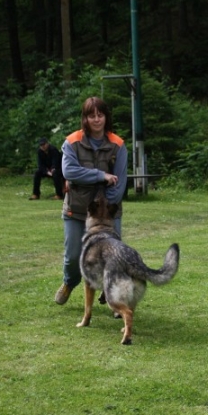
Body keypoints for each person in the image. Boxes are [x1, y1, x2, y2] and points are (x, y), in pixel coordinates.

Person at [54, 97, 128, 305]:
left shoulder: (118, 145)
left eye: (100, 115)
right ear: (85, 118)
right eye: (91, 115)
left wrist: (104, 212)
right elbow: (69, 171)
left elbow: (120, 183)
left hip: (107, 214)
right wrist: (100, 176)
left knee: (112, 255)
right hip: (76, 209)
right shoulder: (72, 142)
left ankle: (112, 296)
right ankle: (70, 282)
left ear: (106, 117)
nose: (96, 120)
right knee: (73, 255)